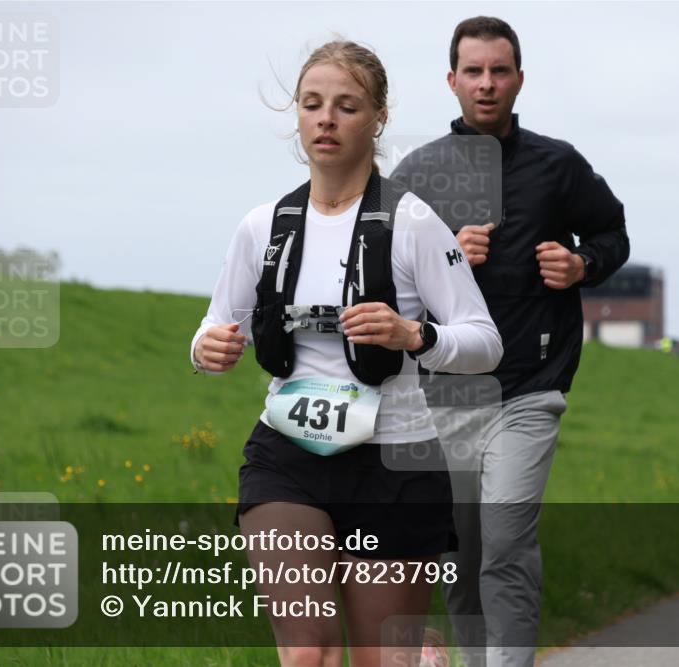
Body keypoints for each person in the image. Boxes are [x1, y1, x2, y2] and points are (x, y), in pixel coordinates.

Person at [190, 40, 503, 666]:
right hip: (287, 456)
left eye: (346, 106)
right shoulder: (264, 227)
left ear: (377, 117)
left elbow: (485, 342)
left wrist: (416, 336)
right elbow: (211, 331)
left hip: (395, 463)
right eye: (312, 105)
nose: (326, 119)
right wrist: (208, 349)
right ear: (298, 117)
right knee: (308, 653)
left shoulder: (412, 223)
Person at [391, 17, 629, 667]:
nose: (487, 84)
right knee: (461, 562)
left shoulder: (558, 166)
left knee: (503, 545)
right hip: (445, 396)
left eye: (500, 70)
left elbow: (613, 232)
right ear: (452, 81)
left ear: (519, 79)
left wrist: (583, 264)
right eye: (474, 71)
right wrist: (444, 256)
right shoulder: (417, 174)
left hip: (531, 386)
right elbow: (386, 288)